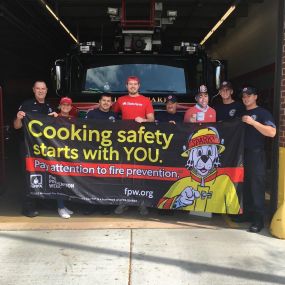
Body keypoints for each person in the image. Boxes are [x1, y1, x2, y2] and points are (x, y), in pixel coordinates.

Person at [232, 86, 276, 233]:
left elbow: (271, 132)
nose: (246, 98)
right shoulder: (240, 113)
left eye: (249, 95)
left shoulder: (263, 113)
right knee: (244, 186)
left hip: (256, 154)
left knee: (257, 186)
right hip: (241, 155)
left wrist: (253, 122)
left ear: (255, 97)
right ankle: (246, 214)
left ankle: (258, 220)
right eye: (244, 96)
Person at [13, 80, 58, 217]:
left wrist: (57, 118)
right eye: (38, 88)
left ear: (46, 90)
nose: (40, 91)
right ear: (33, 90)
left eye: (43, 88)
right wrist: (19, 118)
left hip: (43, 149)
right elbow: (16, 126)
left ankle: (42, 202)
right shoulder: (26, 105)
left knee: (44, 174)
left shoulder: (50, 107)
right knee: (29, 176)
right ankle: (28, 207)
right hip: (27, 147)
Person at [113, 76, 155, 215]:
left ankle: (141, 203)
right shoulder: (120, 100)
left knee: (139, 174)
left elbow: (152, 119)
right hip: (124, 143)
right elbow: (110, 114)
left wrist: (142, 119)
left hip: (141, 143)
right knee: (125, 172)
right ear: (126, 86)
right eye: (130, 84)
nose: (132, 86)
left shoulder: (145, 100)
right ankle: (124, 202)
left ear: (139, 86)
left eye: (135, 84)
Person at [85, 94, 116, 215]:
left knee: (105, 179)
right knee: (91, 178)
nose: (106, 103)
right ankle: (90, 206)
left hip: (108, 152)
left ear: (111, 103)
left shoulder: (114, 116)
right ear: (99, 101)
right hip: (93, 150)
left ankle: (104, 205)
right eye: (104, 100)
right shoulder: (92, 113)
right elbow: (83, 129)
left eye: (108, 101)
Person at [56, 97, 75, 218]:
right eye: (64, 104)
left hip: (69, 154)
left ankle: (64, 206)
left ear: (71, 107)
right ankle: (60, 207)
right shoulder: (53, 117)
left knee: (67, 182)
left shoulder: (74, 119)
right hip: (57, 154)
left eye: (68, 105)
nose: (66, 107)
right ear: (60, 106)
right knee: (59, 181)